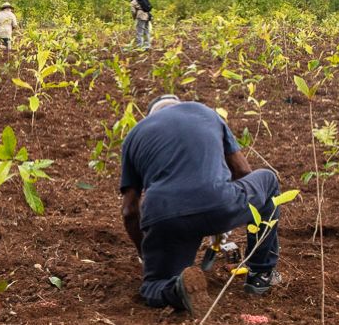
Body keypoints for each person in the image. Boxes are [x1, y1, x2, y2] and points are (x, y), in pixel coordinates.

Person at [119, 95, 281, 311]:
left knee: (155, 284)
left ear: (151, 116)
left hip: (165, 217)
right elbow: (242, 172)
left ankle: (175, 290)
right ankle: (260, 274)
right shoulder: (204, 112)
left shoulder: (134, 135)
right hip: (218, 201)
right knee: (267, 180)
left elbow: (129, 211)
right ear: (180, 106)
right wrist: (227, 214)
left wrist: (146, 253)